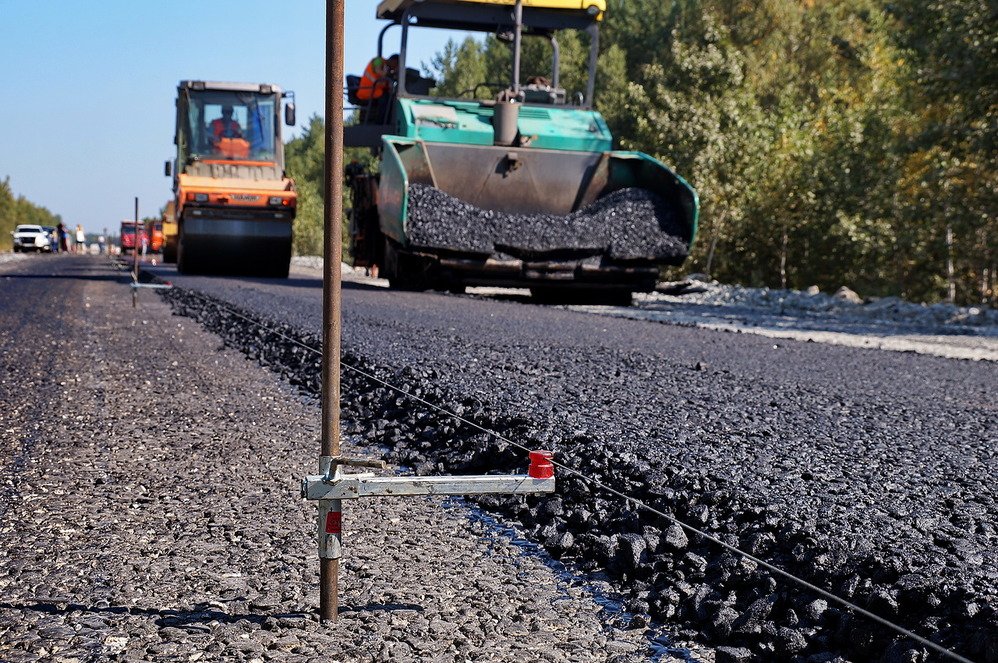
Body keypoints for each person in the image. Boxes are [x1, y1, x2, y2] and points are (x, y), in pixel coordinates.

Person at [357, 54, 398, 123]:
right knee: (386, 98)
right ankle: (381, 122)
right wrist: (389, 74)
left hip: (375, 90)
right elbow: (378, 70)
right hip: (367, 90)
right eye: (396, 65)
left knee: (390, 96)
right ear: (394, 61)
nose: (395, 68)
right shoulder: (377, 60)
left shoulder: (386, 67)